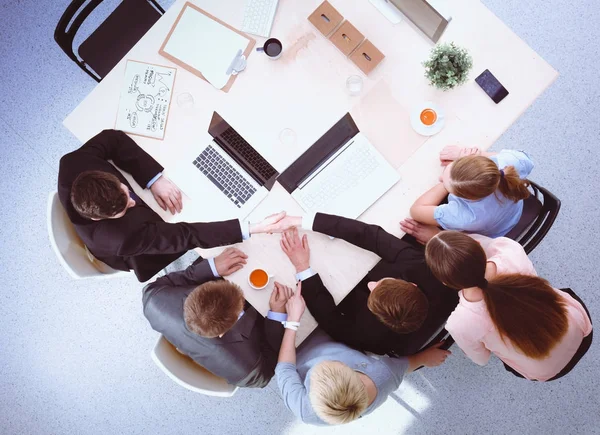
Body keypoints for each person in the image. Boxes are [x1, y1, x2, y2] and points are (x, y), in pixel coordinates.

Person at [58, 129, 290, 281]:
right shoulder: (123, 237)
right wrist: (253, 228)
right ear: (100, 218)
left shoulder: (73, 163)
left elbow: (112, 139)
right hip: (140, 253)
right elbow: (187, 234)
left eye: (125, 191)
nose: (132, 200)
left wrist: (153, 179)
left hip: (139, 224)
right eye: (125, 207)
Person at [278, 213, 458, 356]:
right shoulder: (426, 268)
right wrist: (304, 221)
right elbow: (371, 236)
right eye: (382, 283)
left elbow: (327, 318)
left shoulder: (364, 335)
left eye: (373, 292)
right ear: (412, 285)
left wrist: (301, 265)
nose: (371, 284)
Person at [424, 231, 593, 381]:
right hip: (582, 328)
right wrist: (442, 238)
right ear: (477, 245)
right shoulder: (509, 250)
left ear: (446, 283)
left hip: (547, 370)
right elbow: (488, 243)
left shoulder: (459, 323)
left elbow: (482, 360)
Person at [275, 284, 451, 426]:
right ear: (352, 372)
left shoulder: (306, 410)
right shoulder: (383, 375)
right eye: (332, 363)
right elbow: (405, 366)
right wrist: (425, 358)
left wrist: (292, 321)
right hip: (329, 332)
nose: (325, 361)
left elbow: (284, 367)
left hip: (288, 344)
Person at [143, 247, 296, 388]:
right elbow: (272, 361)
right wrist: (277, 314)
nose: (242, 293)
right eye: (240, 302)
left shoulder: (154, 300)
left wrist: (213, 267)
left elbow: (171, 280)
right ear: (224, 331)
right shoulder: (248, 371)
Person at [401, 146, 534, 243]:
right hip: (513, 211)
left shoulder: (465, 216)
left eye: (445, 182)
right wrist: (479, 156)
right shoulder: (508, 164)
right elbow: (527, 159)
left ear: (467, 196)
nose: (440, 179)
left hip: (492, 235)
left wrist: (447, 183)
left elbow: (416, 211)